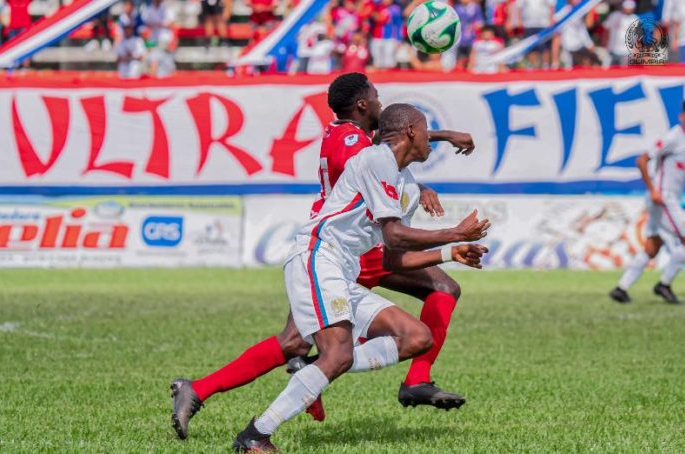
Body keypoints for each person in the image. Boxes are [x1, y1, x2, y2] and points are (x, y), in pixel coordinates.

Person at [169, 73, 479, 440]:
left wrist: (441, 235)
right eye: (376, 98)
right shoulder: (353, 141)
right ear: (363, 105)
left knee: (297, 342)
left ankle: (203, 389)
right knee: (437, 292)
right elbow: (383, 158)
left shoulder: (361, 140)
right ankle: (408, 378)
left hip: (348, 250)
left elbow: (390, 147)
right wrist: (430, 181)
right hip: (339, 249)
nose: (380, 103)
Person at [232, 103, 490, 452]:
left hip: (341, 270)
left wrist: (449, 253)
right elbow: (395, 235)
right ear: (411, 131)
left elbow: (394, 257)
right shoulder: (375, 159)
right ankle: (255, 436)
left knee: (416, 337)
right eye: (427, 130)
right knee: (336, 356)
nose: (432, 140)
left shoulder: (406, 186)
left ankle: (312, 368)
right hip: (318, 257)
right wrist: (454, 234)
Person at [609, 99, 685, 305]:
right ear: (681, 117)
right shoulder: (673, 137)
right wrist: (653, 190)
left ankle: (621, 289)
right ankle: (664, 284)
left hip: (668, 198)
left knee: (653, 246)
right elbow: (642, 160)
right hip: (663, 198)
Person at [509, 0, 555, 69]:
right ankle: (532, 65)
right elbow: (519, 7)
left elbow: (551, 6)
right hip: (528, 24)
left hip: (543, 23)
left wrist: (551, 19)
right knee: (530, 47)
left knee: (544, 46)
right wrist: (519, 20)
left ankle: (546, 65)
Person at [603, 0, 638, 67]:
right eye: (626, 8)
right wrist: (605, 42)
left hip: (627, 51)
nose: (627, 10)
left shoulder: (635, 18)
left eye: (629, 8)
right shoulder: (614, 15)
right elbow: (606, 29)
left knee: (624, 71)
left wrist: (635, 50)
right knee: (606, 68)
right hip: (612, 49)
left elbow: (637, 36)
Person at [454, 0, 484, 69]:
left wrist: (471, 27)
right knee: (459, 60)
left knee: (471, 59)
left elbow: (480, 23)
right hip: (459, 39)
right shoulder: (457, 8)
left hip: (472, 38)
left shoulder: (475, 8)